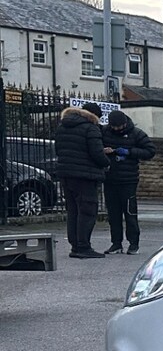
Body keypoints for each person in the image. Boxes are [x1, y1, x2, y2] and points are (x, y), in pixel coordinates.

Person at [52, 101, 110, 259]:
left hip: (66, 174)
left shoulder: (62, 126)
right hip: (85, 176)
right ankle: (84, 246)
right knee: (87, 211)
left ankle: (75, 246)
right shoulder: (91, 128)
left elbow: (58, 150)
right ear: (94, 116)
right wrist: (107, 162)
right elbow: (96, 153)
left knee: (73, 211)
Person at [101, 108, 156, 255]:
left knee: (130, 212)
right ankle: (116, 243)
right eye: (114, 127)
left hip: (129, 179)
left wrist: (129, 152)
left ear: (125, 123)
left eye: (119, 126)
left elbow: (150, 151)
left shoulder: (136, 133)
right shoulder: (105, 132)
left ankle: (133, 244)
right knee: (113, 214)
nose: (117, 129)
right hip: (110, 178)